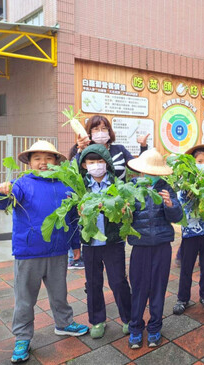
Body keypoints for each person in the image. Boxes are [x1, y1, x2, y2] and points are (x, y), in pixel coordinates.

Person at [0, 141, 88, 363]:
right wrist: (2, 190)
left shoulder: (65, 185)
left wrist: (75, 245)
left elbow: (73, 218)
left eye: (48, 158)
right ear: (30, 162)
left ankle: (64, 323)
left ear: (56, 162)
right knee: (25, 299)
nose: (43, 163)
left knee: (59, 293)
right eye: (37, 158)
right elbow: (1, 201)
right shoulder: (22, 184)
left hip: (57, 251)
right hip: (29, 252)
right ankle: (23, 337)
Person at [69, 115, 149, 270]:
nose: (100, 132)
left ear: (109, 131)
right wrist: (79, 150)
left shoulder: (119, 150)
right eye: (96, 129)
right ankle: (92, 287)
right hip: (91, 207)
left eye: (104, 128)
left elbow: (137, 167)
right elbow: (73, 175)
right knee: (93, 266)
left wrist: (143, 147)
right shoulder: (84, 151)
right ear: (89, 133)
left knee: (115, 259)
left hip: (116, 206)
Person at [126, 149, 183, 349]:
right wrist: (125, 209)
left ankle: (155, 327)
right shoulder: (131, 188)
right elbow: (124, 218)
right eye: (147, 171)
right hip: (140, 247)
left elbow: (176, 217)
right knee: (139, 289)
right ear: (141, 171)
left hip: (162, 246)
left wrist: (169, 204)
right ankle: (135, 328)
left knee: (158, 288)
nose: (151, 175)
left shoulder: (167, 188)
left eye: (155, 172)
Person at [78, 144, 132, 339]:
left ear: (107, 164)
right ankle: (97, 320)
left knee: (118, 281)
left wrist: (124, 209)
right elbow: (71, 212)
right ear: (84, 165)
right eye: (91, 162)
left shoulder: (116, 185)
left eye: (100, 161)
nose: (96, 166)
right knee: (93, 283)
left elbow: (127, 209)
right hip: (90, 243)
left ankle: (128, 318)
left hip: (113, 242)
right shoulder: (79, 187)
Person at [173, 145, 204, 314]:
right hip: (191, 229)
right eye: (199, 161)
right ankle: (182, 298)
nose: (203, 164)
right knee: (187, 265)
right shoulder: (185, 180)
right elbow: (180, 202)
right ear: (193, 163)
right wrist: (190, 193)